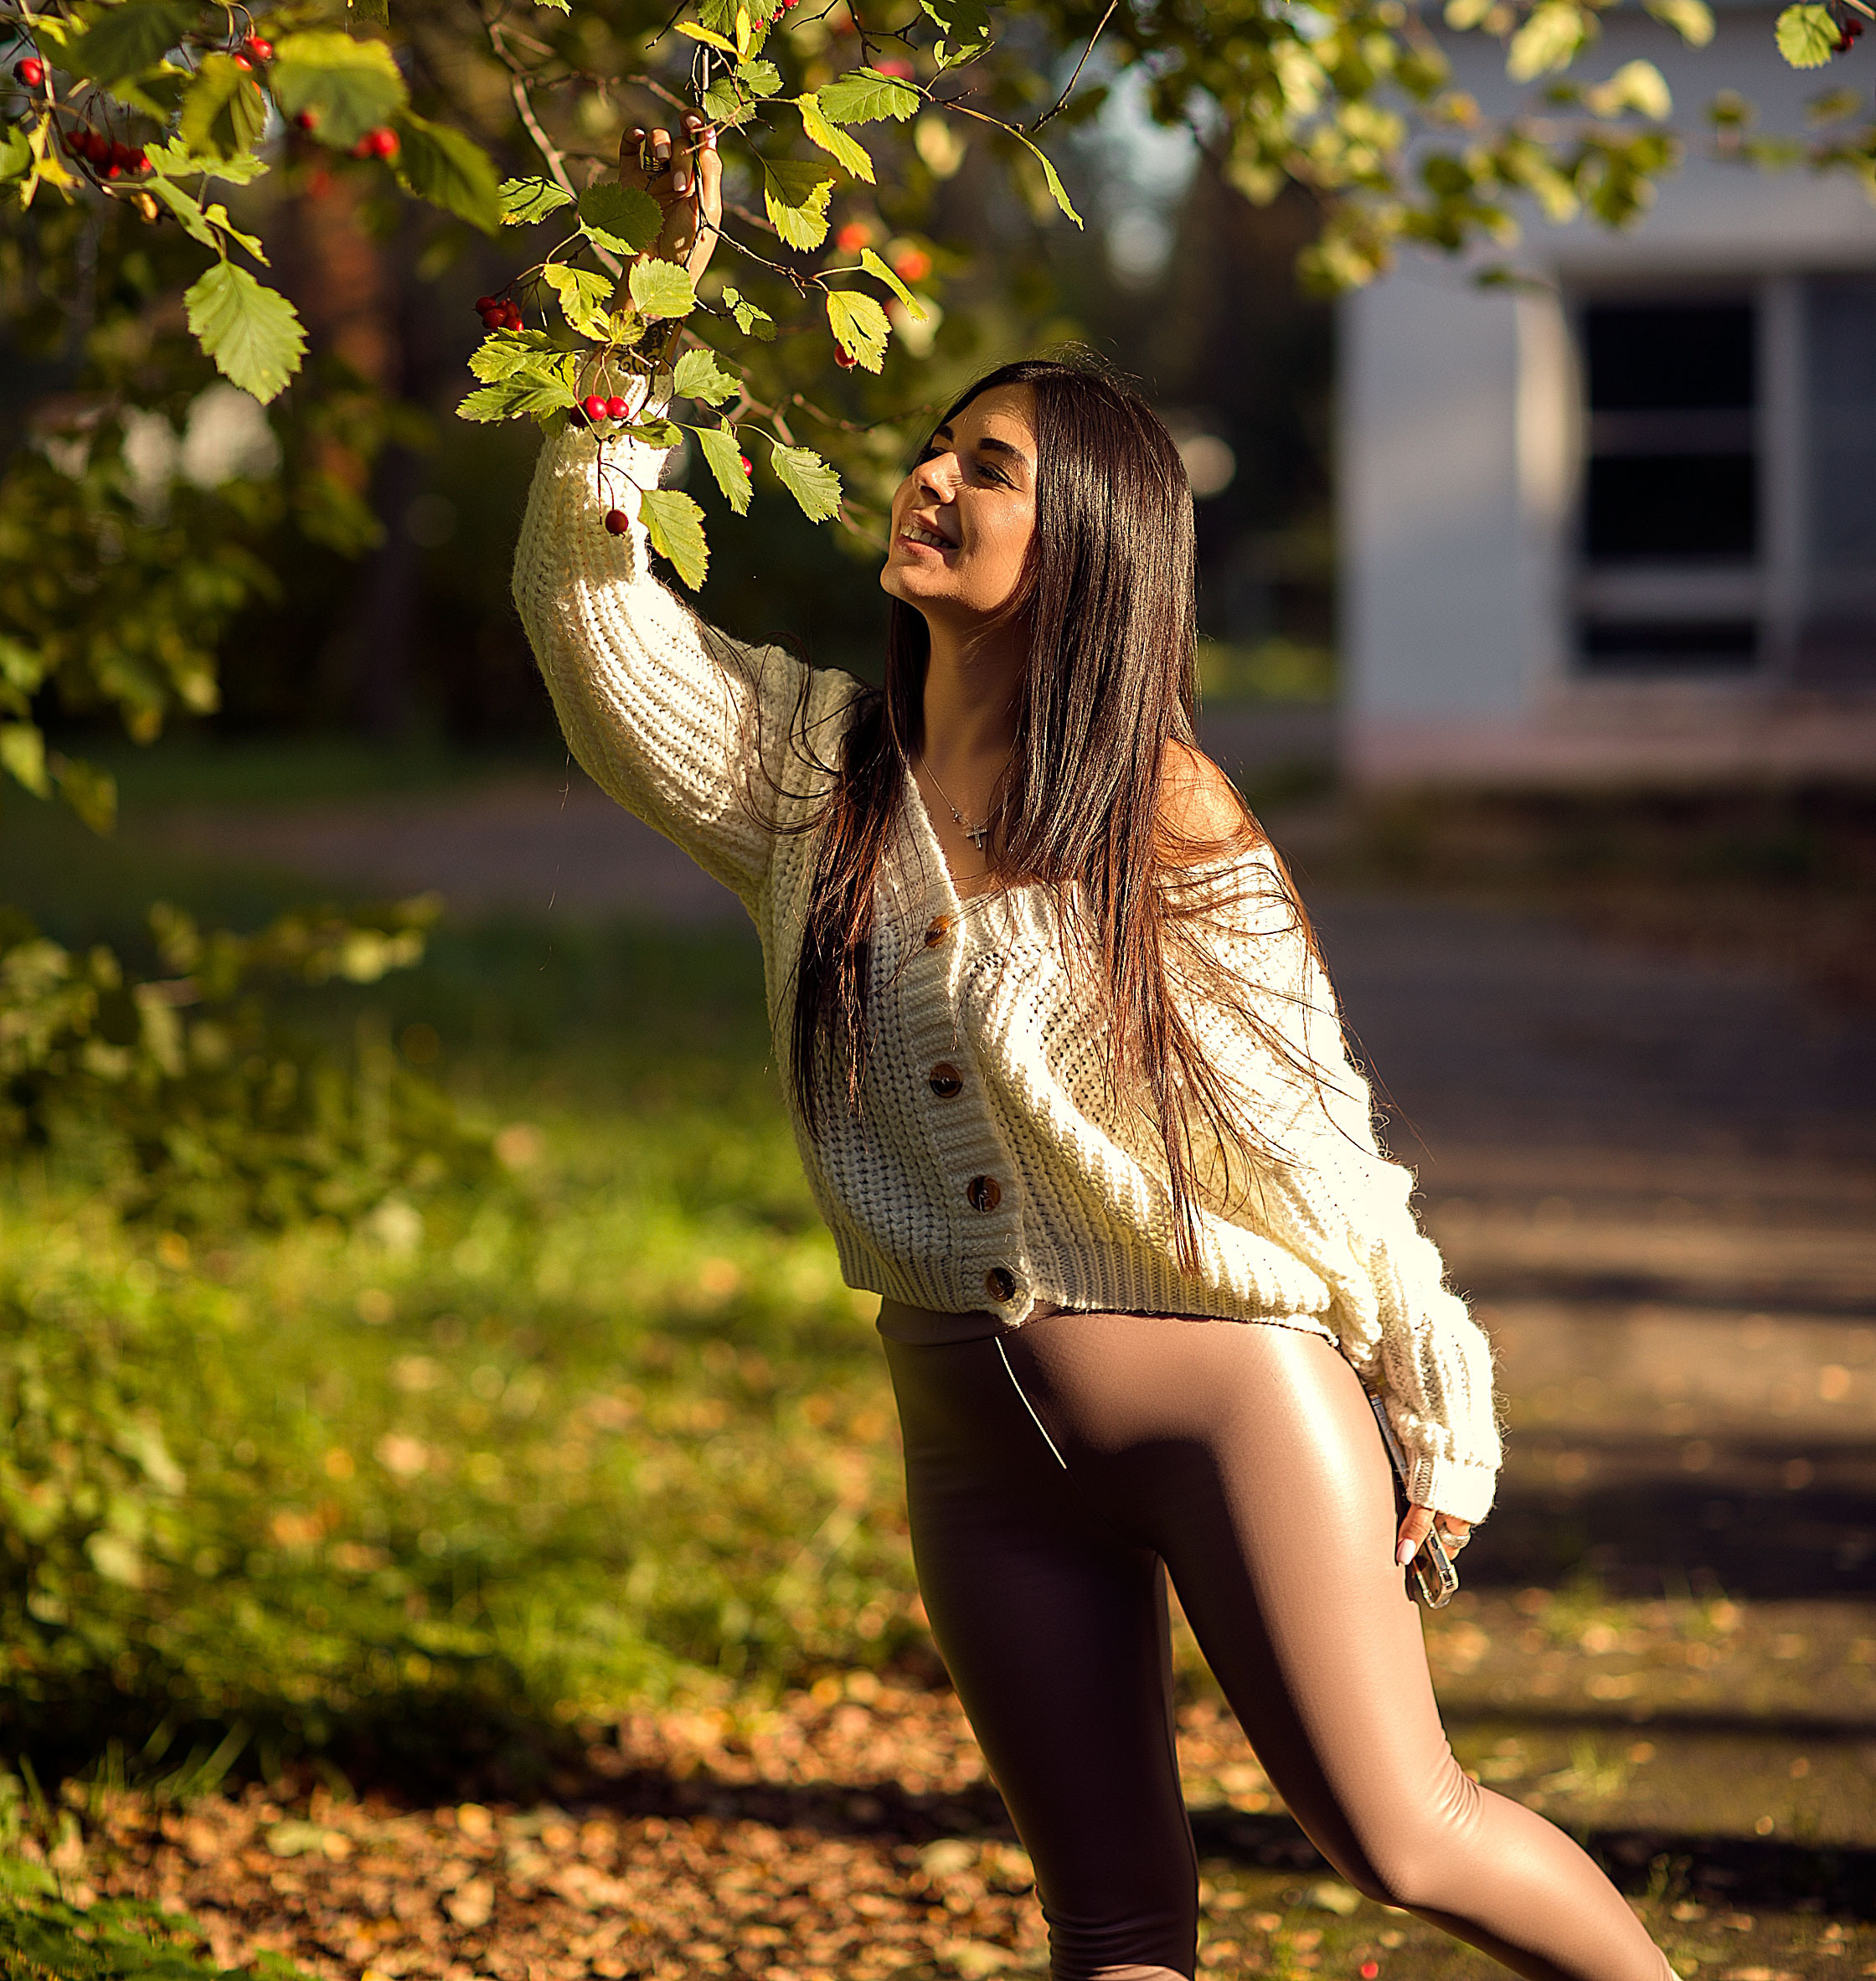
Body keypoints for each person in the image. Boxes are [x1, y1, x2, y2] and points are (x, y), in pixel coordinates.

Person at [512, 112, 1674, 1981]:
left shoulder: (1166, 814)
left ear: (1093, 544)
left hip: (1227, 1406)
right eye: (937, 449)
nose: (932, 483)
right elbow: (591, 615)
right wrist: (640, 324)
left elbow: (1313, 1134)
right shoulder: (811, 781)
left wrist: (1431, 1375)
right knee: (1111, 1919)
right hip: (968, 1432)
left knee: (1401, 1834)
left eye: (991, 470)